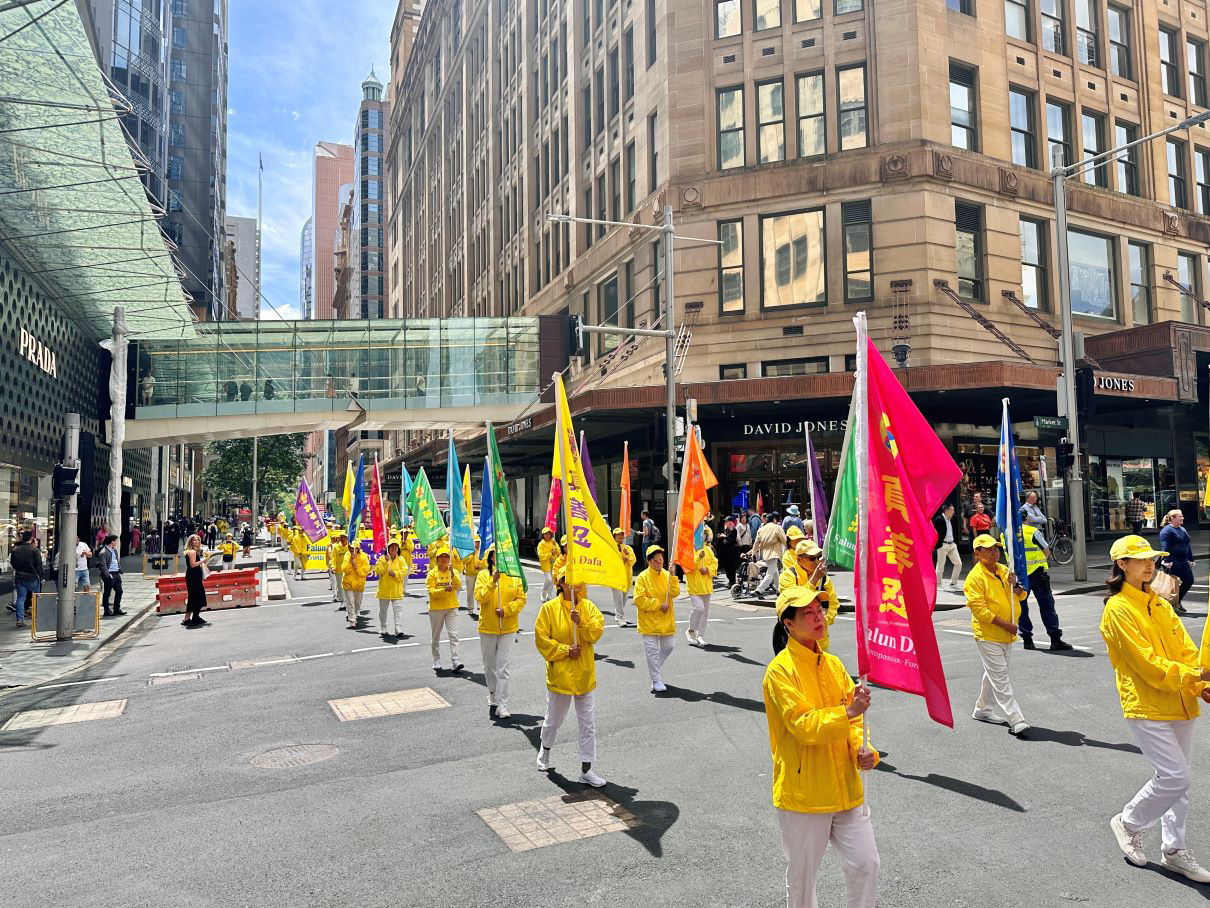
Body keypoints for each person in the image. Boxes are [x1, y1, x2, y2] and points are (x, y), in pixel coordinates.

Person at [1101, 534, 1210, 882]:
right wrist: (1195, 675)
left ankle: (1174, 850)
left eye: (1152, 558)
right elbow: (1146, 665)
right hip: (1145, 704)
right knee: (1175, 777)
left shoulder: (1160, 603)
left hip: (1180, 700)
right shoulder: (1118, 608)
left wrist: (1202, 684)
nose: (1150, 564)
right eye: (1141, 559)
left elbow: (1184, 649)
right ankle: (1128, 822)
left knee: (1180, 783)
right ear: (1122, 564)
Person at [763, 585, 879, 908]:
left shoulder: (833, 664)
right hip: (804, 796)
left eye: (819, 610)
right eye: (808, 613)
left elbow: (856, 724)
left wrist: (862, 749)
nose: (819, 618)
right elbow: (803, 726)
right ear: (788, 624)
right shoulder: (779, 672)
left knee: (867, 864)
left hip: (846, 788)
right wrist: (848, 712)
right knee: (802, 883)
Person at [534, 564, 607, 787]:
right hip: (561, 677)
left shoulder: (588, 607)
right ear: (560, 583)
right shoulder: (549, 609)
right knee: (553, 720)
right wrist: (565, 650)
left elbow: (596, 632)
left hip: (584, 675)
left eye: (578, 581)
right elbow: (542, 640)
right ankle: (545, 750)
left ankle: (587, 769)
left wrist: (581, 623)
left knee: (587, 724)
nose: (575, 585)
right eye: (569, 581)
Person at [963, 534, 1029, 736]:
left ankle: (982, 709)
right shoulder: (974, 578)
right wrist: (1006, 625)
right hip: (989, 634)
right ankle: (1016, 719)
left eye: (996, 548)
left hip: (1006, 633)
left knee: (994, 674)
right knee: (1000, 677)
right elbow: (980, 611)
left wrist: (1015, 585)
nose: (994, 552)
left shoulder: (1004, 570)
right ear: (977, 554)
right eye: (989, 549)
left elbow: (1022, 595)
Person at [475, 548, 527, 721]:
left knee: (503, 667)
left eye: (501, 554)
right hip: (488, 627)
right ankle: (492, 693)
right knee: (489, 666)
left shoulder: (514, 575)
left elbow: (521, 599)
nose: (498, 557)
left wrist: (507, 610)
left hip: (508, 627)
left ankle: (502, 704)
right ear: (490, 557)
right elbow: (480, 598)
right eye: (494, 554)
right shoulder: (483, 575)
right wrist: (492, 582)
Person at [1015, 523, 1073, 652]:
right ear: (1027, 518)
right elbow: (1046, 550)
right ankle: (1055, 640)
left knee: (1022, 608)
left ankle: (1027, 641)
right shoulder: (1032, 531)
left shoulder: (1006, 532)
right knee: (1047, 606)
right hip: (1037, 573)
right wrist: (1040, 561)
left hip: (1019, 575)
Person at [633, 545, 680, 693]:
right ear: (649, 561)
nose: (660, 562)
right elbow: (639, 600)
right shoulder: (642, 577)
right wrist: (658, 605)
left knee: (669, 646)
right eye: (657, 560)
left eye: (661, 559)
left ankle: (654, 669)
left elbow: (675, 593)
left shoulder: (667, 575)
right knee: (652, 651)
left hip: (665, 620)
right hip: (649, 621)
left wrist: (673, 576)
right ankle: (656, 680)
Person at [778, 539, 839, 650]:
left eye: (818, 557)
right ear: (799, 559)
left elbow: (834, 604)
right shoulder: (788, 576)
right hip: (796, 641)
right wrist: (814, 579)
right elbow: (796, 602)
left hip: (820, 642)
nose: (816, 561)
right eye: (811, 558)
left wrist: (824, 619)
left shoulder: (824, 578)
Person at [426, 543, 463, 672]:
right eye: (441, 557)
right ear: (436, 560)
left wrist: (452, 574)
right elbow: (431, 592)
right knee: (436, 636)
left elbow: (458, 586)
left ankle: (456, 660)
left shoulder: (454, 571)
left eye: (446, 557)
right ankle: (436, 659)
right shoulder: (431, 574)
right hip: (436, 608)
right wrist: (443, 590)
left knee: (453, 635)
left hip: (451, 607)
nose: (444, 559)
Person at [1159, 509, 1195, 616]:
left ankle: (1176, 602)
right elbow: (1165, 546)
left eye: (1182, 516)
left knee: (1189, 580)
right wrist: (1166, 560)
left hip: (1183, 560)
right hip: (1172, 560)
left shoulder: (1182, 529)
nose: (1182, 518)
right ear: (1172, 518)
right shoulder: (1166, 531)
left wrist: (1191, 558)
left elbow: (1187, 545)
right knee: (1173, 584)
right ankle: (1171, 604)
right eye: (1180, 516)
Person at [686, 539, 718, 647]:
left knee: (704, 613)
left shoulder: (708, 550)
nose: (701, 536)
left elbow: (715, 563)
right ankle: (691, 631)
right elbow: (687, 567)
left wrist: (708, 570)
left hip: (706, 586)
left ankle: (700, 635)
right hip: (694, 586)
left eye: (703, 534)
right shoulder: (687, 550)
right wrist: (698, 557)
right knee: (699, 608)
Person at [10, 530, 42, 628]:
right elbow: (39, 565)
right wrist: (42, 576)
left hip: (19, 576)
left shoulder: (15, 549)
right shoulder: (35, 550)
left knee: (21, 598)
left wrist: (18, 570)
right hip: (32, 576)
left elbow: (12, 563)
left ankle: (20, 620)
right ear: (31, 539)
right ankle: (37, 617)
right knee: (36, 597)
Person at [752, 512, 788, 600]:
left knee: (775, 572)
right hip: (774, 553)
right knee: (770, 574)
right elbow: (784, 540)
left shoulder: (761, 529)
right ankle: (759, 590)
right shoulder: (777, 528)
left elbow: (756, 543)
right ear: (774, 520)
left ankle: (779, 591)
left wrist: (754, 553)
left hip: (765, 553)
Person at [376, 540, 407, 639]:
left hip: (396, 589)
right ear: (388, 548)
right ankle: (383, 627)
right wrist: (386, 563)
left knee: (398, 610)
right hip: (384, 590)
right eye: (391, 547)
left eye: (396, 547)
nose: (394, 549)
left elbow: (404, 571)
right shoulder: (382, 559)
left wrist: (395, 574)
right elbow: (378, 571)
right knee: (383, 611)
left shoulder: (401, 559)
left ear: (398, 549)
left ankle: (398, 628)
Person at [610, 526, 637, 627]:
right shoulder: (611, 548)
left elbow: (633, 560)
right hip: (616, 577)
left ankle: (618, 614)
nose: (620, 536)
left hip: (627, 577)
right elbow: (610, 561)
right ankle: (620, 617)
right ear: (614, 536)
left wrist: (627, 556)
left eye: (622, 534)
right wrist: (621, 561)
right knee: (618, 597)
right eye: (618, 535)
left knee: (624, 598)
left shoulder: (627, 548)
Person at [96, 534, 125, 618]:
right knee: (107, 593)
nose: (116, 542)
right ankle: (106, 610)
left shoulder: (114, 550)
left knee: (119, 591)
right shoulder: (103, 552)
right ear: (112, 541)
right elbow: (103, 565)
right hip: (109, 574)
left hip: (116, 573)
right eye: (115, 540)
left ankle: (116, 608)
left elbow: (116, 561)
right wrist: (108, 575)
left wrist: (119, 569)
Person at [933, 504, 963, 590]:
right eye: (952, 510)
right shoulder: (938, 520)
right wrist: (937, 544)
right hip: (943, 545)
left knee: (958, 563)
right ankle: (938, 585)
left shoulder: (951, 519)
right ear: (946, 511)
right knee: (940, 566)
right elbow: (933, 532)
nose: (954, 512)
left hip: (952, 544)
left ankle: (953, 583)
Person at [342, 543, 370, 628]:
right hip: (348, 583)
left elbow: (365, 572)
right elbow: (344, 570)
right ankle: (352, 620)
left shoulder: (364, 557)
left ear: (358, 549)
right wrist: (351, 562)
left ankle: (356, 613)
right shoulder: (347, 555)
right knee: (350, 602)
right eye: (350, 548)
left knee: (357, 602)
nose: (351, 550)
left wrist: (356, 566)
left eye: (354, 548)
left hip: (359, 584)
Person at [182, 534, 207, 627]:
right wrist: (203, 560)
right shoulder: (192, 552)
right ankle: (193, 617)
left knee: (194, 597)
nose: (197, 542)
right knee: (197, 596)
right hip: (193, 576)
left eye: (198, 540)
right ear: (190, 542)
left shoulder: (192, 551)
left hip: (193, 576)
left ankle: (188, 618)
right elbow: (193, 564)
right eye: (194, 540)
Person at [462, 536, 483, 619]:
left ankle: (480, 606)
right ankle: (470, 608)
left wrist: (480, 565)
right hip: (470, 574)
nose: (477, 543)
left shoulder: (481, 551)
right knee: (470, 592)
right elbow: (464, 560)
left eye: (478, 542)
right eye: (476, 542)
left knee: (480, 591)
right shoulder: (468, 551)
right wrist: (471, 555)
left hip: (479, 574)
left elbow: (485, 560)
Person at [537, 527, 559, 601]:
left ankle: (550, 595)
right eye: (546, 534)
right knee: (548, 579)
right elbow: (540, 556)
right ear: (543, 535)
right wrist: (550, 554)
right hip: (546, 565)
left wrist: (555, 545)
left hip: (554, 564)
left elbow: (558, 552)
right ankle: (543, 594)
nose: (547, 535)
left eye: (549, 534)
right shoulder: (541, 544)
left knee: (553, 580)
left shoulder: (553, 542)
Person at [329, 531, 348, 607]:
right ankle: (343, 601)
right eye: (341, 537)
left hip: (347, 571)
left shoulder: (349, 547)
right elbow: (333, 558)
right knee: (340, 587)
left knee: (347, 586)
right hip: (339, 570)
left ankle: (346, 602)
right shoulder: (336, 547)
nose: (343, 539)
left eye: (344, 537)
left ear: (347, 538)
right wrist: (333, 567)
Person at [399, 526, 416, 597]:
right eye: (403, 533)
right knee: (400, 575)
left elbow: (411, 549)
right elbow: (397, 549)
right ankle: (399, 589)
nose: (404, 534)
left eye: (406, 533)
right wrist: (402, 545)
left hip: (408, 560)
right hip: (400, 560)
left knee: (406, 576)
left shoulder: (409, 540)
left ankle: (404, 589)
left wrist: (406, 544)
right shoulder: (398, 540)